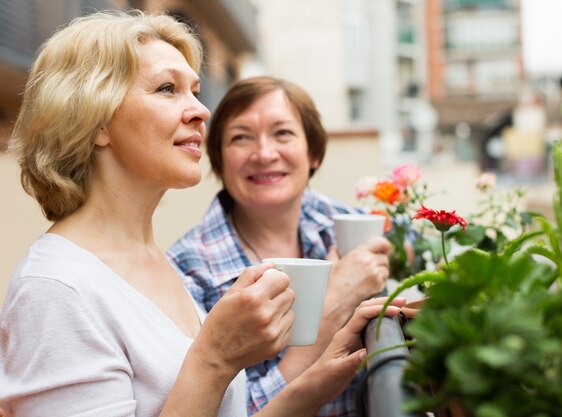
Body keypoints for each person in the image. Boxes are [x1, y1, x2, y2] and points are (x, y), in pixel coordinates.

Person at [0, 10, 409, 417]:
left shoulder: (152, 261)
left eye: (195, 90)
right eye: (166, 89)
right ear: (95, 121)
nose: (201, 110)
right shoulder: (54, 290)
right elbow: (206, 377)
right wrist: (214, 359)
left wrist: (321, 376)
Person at [167, 76, 393, 416]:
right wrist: (333, 304)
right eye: (241, 137)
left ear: (313, 152)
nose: (264, 153)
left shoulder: (338, 222)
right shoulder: (184, 270)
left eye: (283, 133)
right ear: (218, 159)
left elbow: (411, 240)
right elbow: (228, 411)